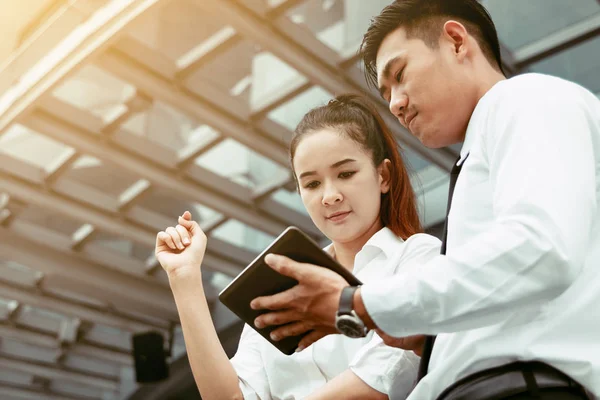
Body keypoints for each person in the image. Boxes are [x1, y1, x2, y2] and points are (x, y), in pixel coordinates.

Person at [248, 1, 600, 399]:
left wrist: (356, 303)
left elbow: (542, 247)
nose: (395, 102)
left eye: (399, 75)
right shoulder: (487, 141)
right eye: (386, 92)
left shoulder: (526, 98)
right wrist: (426, 337)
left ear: (455, 41)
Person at [155, 94, 442, 399]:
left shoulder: (418, 256)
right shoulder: (280, 283)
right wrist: (184, 279)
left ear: (382, 176)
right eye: (312, 184)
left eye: (345, 174)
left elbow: (379, 381)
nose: (329, 196)